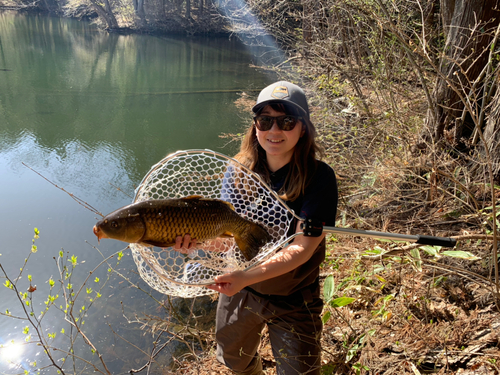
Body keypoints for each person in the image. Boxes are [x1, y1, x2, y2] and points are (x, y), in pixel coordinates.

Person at [175, 81, 338, 375]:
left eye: (287, 121)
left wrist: (246, 276)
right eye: (266, 121)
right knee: (235, 360)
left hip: (293, 296)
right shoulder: (238, 171)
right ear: (255, 127)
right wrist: (197, 242)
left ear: (303, 128)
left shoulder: (319, 178)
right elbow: (227, 242)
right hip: (241, 292)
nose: (275, 131)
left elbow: (303, 248)